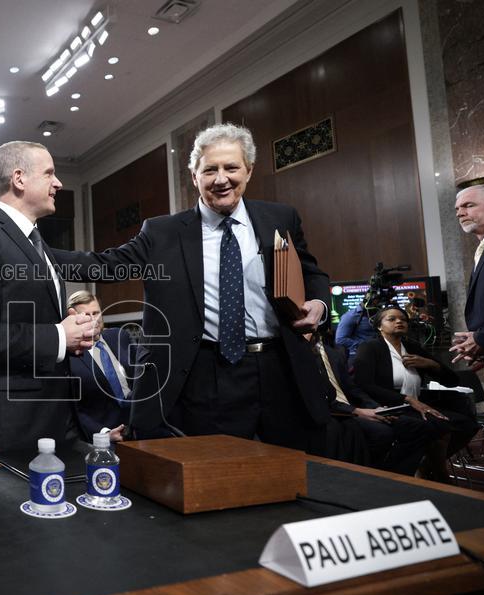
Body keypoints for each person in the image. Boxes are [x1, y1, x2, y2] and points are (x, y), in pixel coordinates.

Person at [51, 124, 330, 448]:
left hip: (281, 367)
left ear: (249, 171)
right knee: (218, 472)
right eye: (210, 169)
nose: (221, 178)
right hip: (209, 374)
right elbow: (104, 264)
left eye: (231, 167)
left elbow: (312, 273)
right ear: (194, 175)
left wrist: (320, 305)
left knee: (294, 472)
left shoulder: (280, 218)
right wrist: (32, 250)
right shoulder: (162, 233)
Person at [0, 141, 96, 462]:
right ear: (19, 179)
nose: (58, 183)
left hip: (51, 423)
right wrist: (58, 336)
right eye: (50, 174)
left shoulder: (38, 244)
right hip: (5, 431)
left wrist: (69, 336)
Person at [353, 306, 478, 481]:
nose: (399, 322)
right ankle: (434, 474)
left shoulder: (412, 346)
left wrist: (430, 364)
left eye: (403, 320)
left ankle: (427, 466)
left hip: (417, 404)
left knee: (467, 424)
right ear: (379, 326)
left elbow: (452, 381)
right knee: (438, 428)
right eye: (392, 319)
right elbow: (364, 384)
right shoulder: (370, 347)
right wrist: (407, 399)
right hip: (389, 406)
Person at [313, 328, 433, 475]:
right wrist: (357, 412)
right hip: (334, 412)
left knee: (418, 427)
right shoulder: (299, 354)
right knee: (381, 433)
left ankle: (396, 475)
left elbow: (352, 388)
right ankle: (376, 475)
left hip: (354, 406)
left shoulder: (333, 353)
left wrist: (376, 407)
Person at [67, 290, 136, 440]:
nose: (94, 319)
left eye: (96, 312)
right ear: (73, 319)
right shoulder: (69, 356)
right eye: (87, 315)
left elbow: (141, 377)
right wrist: (104, 434)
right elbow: (73, 409)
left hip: (138, 425)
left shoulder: (119, 336)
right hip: (103, 436)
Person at [450, 184, 484, 395]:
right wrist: (482, 344)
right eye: (457, 208)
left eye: (468, 205)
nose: (460, 213)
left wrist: (481, 338)